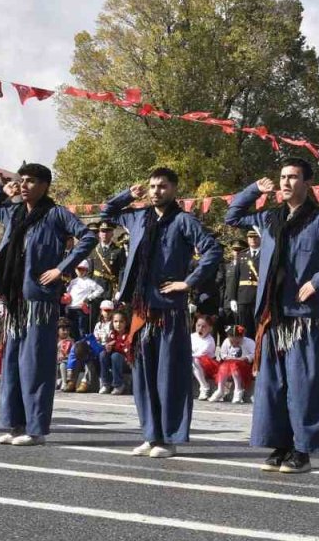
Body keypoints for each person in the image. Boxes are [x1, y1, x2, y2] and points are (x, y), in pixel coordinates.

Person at [226, 157, 319, 474]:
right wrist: (253, 191)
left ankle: (303, 450)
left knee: (303, 386)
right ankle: (280, 445)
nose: (286, 182)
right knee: (273, 387)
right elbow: (232, 216)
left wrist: (318, 280)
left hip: (303, 319)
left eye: (294, 177)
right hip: (273, 318)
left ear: (307, 183)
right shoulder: (269, 218)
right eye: (282, 176)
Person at [101, 167, 223, 458]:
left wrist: (188, 282)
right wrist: (126, 196)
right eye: (153, 186)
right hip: (141, 309)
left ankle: (168, 438)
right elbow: (107, 212)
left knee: (169, 376)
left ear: (174, 190)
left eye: (163, 186)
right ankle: (150, 434)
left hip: (169, 310)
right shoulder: (138, 216)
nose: (156, 191)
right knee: (143, 376)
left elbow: (213, 250)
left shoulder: (183, 221)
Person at [0, 163, 96, 446]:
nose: (24, 185)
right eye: (21, 181)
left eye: (31, 181)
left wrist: (62, 268)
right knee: (12, 364)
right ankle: (14, 424)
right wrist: (1, 190)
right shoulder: (14, 212)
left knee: (35, 364)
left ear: (45, 185)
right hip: (14, 300)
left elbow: (89, 236)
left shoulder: (56, 215)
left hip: (40, 300)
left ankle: (36, 430)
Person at [209, 325, 255, 403]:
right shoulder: (226, 341)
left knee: (234, 365)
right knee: (223, 367)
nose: (234, 344)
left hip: (244, 367)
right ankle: (220, 389)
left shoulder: (249, 342)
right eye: (232, 342)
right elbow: (222, 353)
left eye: (237, 342)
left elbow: (254, 354)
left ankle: (238, 389)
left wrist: (246, 358)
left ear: (242, 336)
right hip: (229, 365)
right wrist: (226, 357)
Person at [229, 230, 261, 336]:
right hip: (243, 297)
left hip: (258, 297)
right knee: (244, 328)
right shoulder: (242, 256)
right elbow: (235, 278)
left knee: (258, 328)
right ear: (247, 239)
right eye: (251, 237)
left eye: (255, 237)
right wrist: (233, 298)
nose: (253, 239)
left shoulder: (265, 255)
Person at [90, 220, 126, 306]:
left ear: (112, 233)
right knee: (94, 315)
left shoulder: (118, 250)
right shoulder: (94, 250)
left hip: (110, 288)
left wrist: (119, 289)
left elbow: (122, 271)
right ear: (99, 233)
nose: (104, 234)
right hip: (96, 286)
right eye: (102, 231)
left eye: (108, 231)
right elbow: (90, 270)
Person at [65, 261, 103, 337]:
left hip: (81, 309)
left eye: (83, 269)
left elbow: (100, 289)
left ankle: (82, 347)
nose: (81, 271)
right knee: (71, 330)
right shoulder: (72, 281)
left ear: (86, 271)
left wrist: (89, 298)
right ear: (75, 270)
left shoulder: (89, 282)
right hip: (70, 308)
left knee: (81, 330)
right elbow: (67, 292)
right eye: (79, 269)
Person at [98, 310, 131, 395]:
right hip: (114, 362)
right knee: (103, 354)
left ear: (126, 323)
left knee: (116, 356)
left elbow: (126, 349)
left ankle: (118, 385)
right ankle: (106, 384)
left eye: (121, 321)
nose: (118, 324)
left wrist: (114, 346)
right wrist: (108, 348)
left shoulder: (129, 334)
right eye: (115, 321)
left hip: (126, 362)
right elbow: (109, 347)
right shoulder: (112, 334)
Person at [190, 314, 219, 400]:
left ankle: (205, 387)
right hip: (192, 362)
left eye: (204, 327)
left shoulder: (210, 340)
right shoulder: (192, 336)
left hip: (207, 365)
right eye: (198, 325)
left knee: (195, 360)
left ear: (210, 328)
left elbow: (200, 354)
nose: (200, 328)